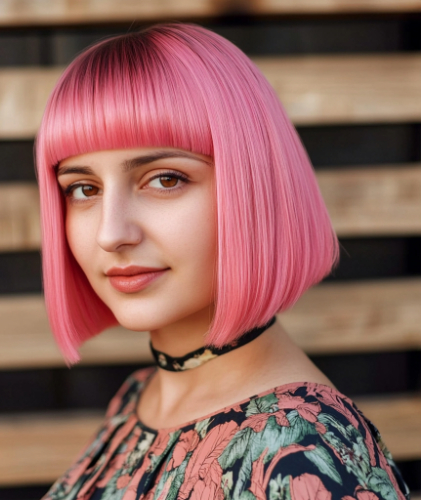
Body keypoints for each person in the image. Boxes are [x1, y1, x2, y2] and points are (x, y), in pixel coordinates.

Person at [35, 23, 409, 500]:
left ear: (252, 185)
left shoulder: (303, 458)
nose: (111, 234)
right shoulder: (140, 396)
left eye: (165, 179)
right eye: (83, 189)